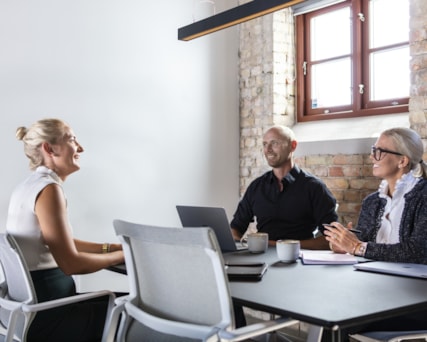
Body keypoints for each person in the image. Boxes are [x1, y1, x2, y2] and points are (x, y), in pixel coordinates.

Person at [6, 118, 125, 341]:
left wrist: (110, 248)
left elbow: (57, 240)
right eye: (72, 140)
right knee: (137, 313)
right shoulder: (49, 190)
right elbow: (71, 264)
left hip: (32, 313)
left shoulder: (27, 187)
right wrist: (120, 256)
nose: (80, 148)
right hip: (53, 317)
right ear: (49, 148)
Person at [324, 127, 427, 335]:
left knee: (335, 318)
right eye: (374, 150)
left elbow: (418, 251)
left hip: (414, 298)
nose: (372, 156)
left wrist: (358, 247)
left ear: (402, 161)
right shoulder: (372, 201)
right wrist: (344, 243)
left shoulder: (424, 197)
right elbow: (366, 243)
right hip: (374, 291)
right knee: (327, 307)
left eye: (380, 151)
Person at [231, 125, 338, 250]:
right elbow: (235, 229)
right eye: (265, 144)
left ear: (293, 146)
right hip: (260, 257)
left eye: (274, 143)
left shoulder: (315, 187)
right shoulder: (256, 187)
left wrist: (279, 246)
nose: (268, 149)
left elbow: (332, 239)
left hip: (298, 261)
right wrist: (240, 246)